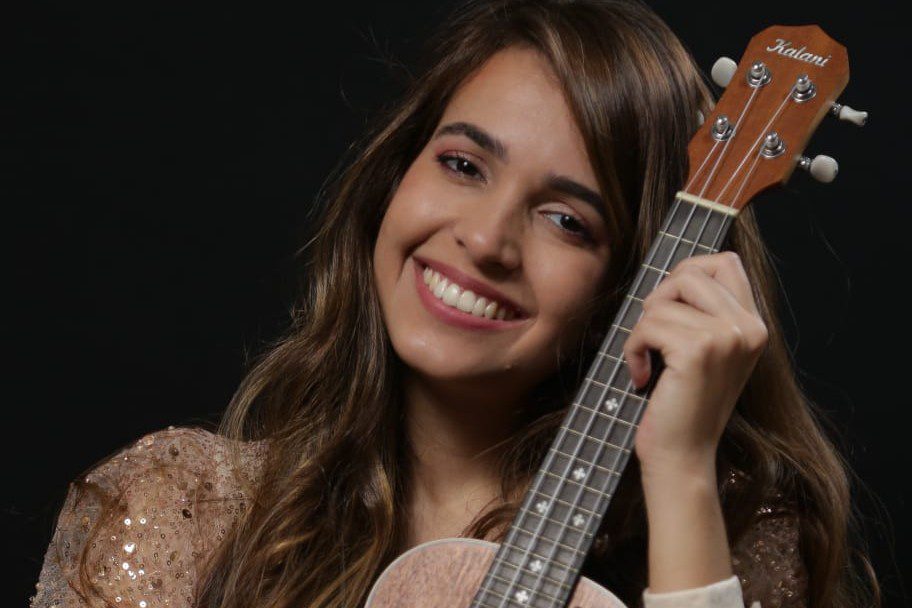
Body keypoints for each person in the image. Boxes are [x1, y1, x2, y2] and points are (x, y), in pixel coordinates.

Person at [29, 1, 881, 607]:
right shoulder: (180, 508)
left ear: (632, 284)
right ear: (394, 177)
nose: (485, 239)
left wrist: (682, 470)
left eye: (567, 220)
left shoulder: (729, 527)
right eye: (464, 165)